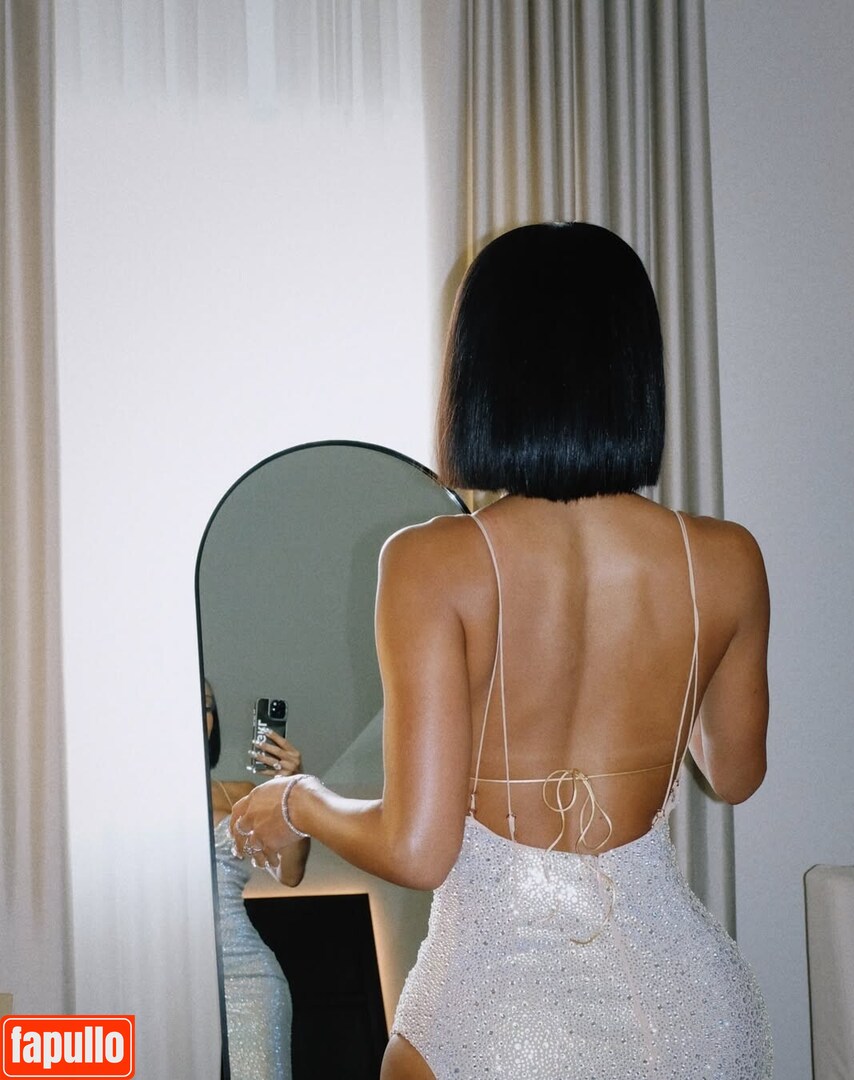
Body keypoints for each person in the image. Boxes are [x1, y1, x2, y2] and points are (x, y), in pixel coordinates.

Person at [230, 223, 772, 1078]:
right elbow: (734, 774)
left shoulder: (432, 561)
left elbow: (419, 848)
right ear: (634, 376)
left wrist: (296, 799)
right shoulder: (727, 558)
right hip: (695, 1012)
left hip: (507, 1015)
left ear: (483, 376)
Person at [205, 681, 308, 1080]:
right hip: (162, 976)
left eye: (208, 706)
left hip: (247, 978)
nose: (201, 714)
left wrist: (291, 791)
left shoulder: (239, 795)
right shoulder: (129, 799)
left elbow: (290, 872)